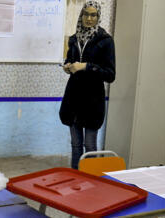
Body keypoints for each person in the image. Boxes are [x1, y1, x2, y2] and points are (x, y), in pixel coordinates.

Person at [59, 1, 115, 169]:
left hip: (92, 101)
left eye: (93, 15)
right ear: (81, 15)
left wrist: (86, 66)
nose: (89, 18)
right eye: (86, 14)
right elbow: (69, 59)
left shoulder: (105, 41)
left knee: (89, 146)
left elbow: (110, 74)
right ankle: (75, 178)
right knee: (75, 145)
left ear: (98, 17)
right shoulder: (74, 39)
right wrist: (68, 67)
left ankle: (92, 182)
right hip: (73, 98)